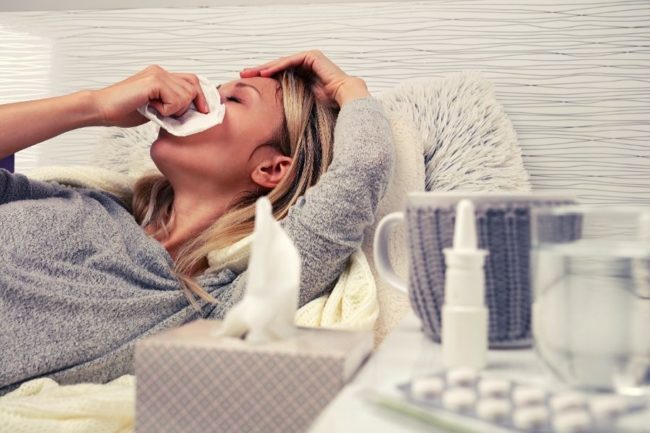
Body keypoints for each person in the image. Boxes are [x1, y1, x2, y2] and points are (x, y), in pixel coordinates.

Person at [0, 50, 395, 395]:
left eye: (232, 100)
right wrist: (94, 106)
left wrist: (348, 87)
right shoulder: (82, 202)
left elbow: (363, 167)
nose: (195, 101)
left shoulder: (208, 306)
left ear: (272, 168)